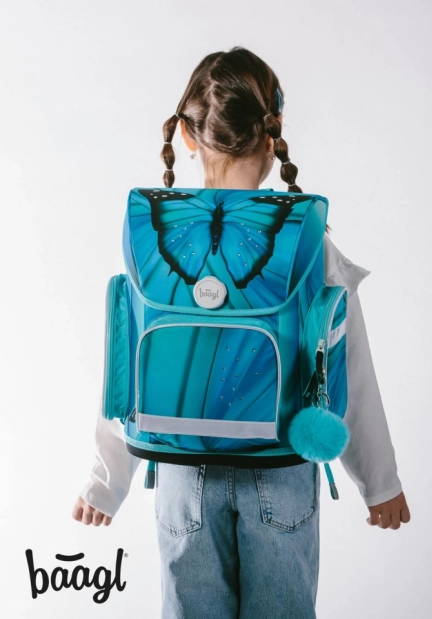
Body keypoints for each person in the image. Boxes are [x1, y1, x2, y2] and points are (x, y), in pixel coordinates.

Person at [72, 46, 411, 618]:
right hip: (280, 469)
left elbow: (127, 363)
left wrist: (106, 482)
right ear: (273, 134)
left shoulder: (154, 236)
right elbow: (349, 363)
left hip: (181, 476)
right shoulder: (303, 236)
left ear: (186, 134)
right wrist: (380, 483)